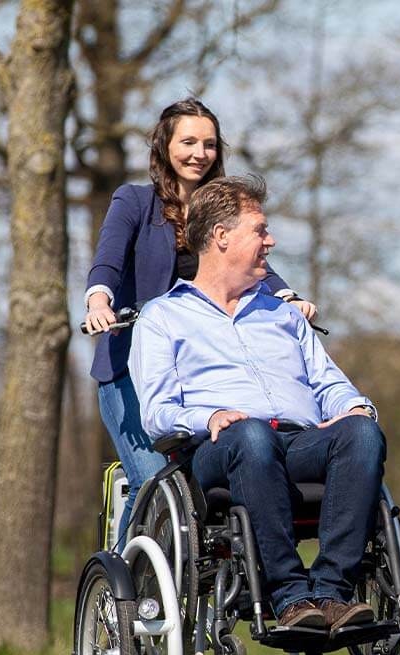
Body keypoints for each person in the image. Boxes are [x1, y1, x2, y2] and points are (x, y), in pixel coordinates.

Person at [129, 175, 384, 632]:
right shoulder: (163, 317)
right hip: (221, 448)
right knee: (250, 435)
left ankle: (330, 593)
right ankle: (288, 597)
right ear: (221, 237)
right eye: (260, 230)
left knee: (363, 432)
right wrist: (209, 417)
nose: (272, 240)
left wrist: (354, 406)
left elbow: (329, 383)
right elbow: (156, 412)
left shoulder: (283, 313)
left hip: (298, 443)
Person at [83, 98, 316, 548]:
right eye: (188, 141)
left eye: (209, 144)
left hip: (196, 371)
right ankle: (126, 582)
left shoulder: (223, 210)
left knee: (204, 488)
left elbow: (251, 260)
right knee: (155, 479)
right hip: (131, 370)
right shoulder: (135, 202)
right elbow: (107, 263)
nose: (199, 153)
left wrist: (288, 297)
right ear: (164, 146)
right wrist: (99, 301)